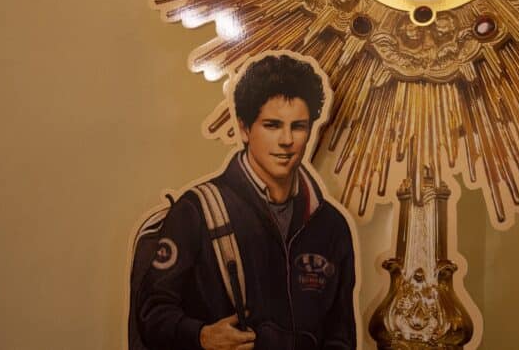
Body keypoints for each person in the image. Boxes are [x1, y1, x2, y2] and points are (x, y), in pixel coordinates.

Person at [135, 53, 358, 350]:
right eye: (272, 125)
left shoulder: (332, 225)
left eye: (299, 126)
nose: (286, 140)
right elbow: (152, 314)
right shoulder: (196, 210)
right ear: (243, 128)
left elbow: (341, 334)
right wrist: (201, 336)